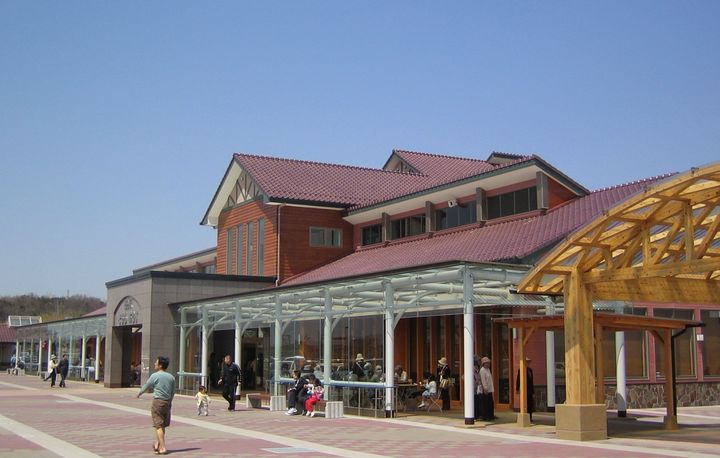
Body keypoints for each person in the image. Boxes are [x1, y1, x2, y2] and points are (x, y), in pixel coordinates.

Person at [137, 356, 175, 455]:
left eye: (156, 362)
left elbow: (147, 385)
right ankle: (157, 444)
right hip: (167, 402)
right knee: (162, 425)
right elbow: (173, 391)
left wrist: (139, 393)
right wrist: (170, 401)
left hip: (158, 402)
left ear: (160, 365)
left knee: (158, 425)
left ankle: (163, 447)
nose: (154, 364)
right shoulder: (171, 377)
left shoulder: (155, 376)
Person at [516, 357, 535, 422]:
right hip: (524, 390)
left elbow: (531, 382)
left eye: (528, 362)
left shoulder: (530, 370)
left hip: (530, 390)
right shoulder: (520, 370)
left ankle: (530, 416)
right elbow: (518, 380)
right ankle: (526, 417)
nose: (528, 363)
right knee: (525, 404)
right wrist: (517, 389)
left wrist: (533, 391)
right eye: (526, 362)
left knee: (530, 404)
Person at [478, 356, 496, 421]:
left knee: (490, 403)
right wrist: (485, 388)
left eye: (489, 363)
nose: (488, 364)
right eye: (487, 363)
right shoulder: (482, 370)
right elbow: (483, 380)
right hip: (486, 390)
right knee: (486, 403)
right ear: (484, 363)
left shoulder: (488, 370)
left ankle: (491, 415)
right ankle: (486, 416)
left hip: (490, 389)